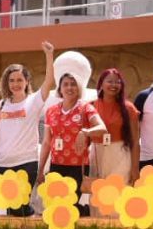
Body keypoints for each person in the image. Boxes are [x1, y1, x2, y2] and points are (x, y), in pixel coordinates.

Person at [0, 42, 55, 215]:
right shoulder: (2, 104)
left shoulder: (34, 100)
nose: (15, 84)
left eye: (20, 80)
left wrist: (49, 55)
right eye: (11, 80)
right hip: (3, 162)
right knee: (11, 207)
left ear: (27, 82)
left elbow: (49, 82)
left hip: (26, 161)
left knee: (20, 205)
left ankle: (31, 219)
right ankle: (28, 222)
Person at [39, 73, 107, 207]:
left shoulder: (86, 108)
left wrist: (85, 132)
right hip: (56, 165)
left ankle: (82, 211)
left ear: (79, 88)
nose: (69, 88)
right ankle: (82, 211)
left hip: (78, 166)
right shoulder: (51, 111)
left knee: (70, 204)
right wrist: (40, 170)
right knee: (55, 204)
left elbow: (102, 128)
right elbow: (46, 142)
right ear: (60, 89)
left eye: (73, 84)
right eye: (65, 84)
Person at [91, 68, 140, 184]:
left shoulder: (129, 108)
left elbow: (135, 141)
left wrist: (135, 169)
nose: (114, 85)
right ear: (101, 84)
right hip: (97, 154)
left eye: (117, 82)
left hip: (120, 155)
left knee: (119, 191)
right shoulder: (91, 106)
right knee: (98, 192)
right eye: (110, 81)